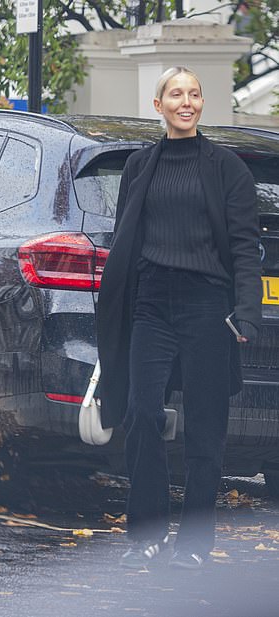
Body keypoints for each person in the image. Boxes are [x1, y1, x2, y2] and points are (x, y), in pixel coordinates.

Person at [96, 67, 261, 570]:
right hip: (151, 303)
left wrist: (246, 315)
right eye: (176, 94)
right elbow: (126, 238)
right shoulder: (140, 166)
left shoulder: (227, 168)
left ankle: (193, 546)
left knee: (205, 431)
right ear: (158, 103)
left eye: (193, 94)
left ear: (201, 103)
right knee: (142, 414)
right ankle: (145, 535)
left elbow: (243, 248)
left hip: (208, 306)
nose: (185, 102)